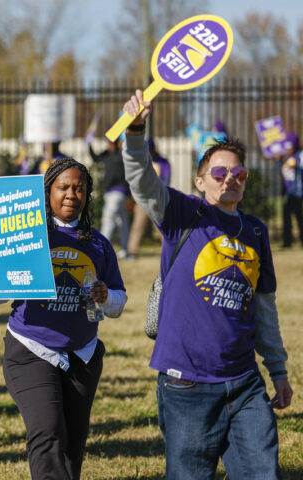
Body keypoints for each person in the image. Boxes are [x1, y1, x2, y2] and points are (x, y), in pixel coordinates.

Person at [121, 90, 293, 480]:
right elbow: (143, 181)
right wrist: (135, 132)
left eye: (239, 173)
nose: (230, 178)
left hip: (246, 383)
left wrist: (277, 371)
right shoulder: (183, 213)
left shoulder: (255, 231)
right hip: (187, 384)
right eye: (219, 172)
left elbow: (264, 308)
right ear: (200, 181)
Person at [0, 157, 127, 480]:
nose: (71, 195)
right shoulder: (27, 233)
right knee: (48, 431)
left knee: (72, 446)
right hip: (32, 350)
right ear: (48, 193)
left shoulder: (98, 243)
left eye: (79, 189)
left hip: (82, 354)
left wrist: (106, 296)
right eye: (63, 187)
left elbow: (119, 301)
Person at [126, 138, 171, 259]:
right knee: (137, 226)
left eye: (151, 149)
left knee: (163, 227)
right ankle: (132, 252)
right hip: (142, 199)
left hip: (158, 199)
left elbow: (166, 180)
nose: (149, 152)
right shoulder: (142, 162)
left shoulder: (163, 162)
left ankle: (168, 253)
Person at [88, 137, 130, 258]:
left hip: (119, 191)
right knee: (122, 221)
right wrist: (89, 145)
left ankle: (101, 248)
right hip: (109, 192)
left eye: (111, 142)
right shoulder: (107, 154)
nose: (108, 145)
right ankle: (124, 250)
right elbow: (95, 158)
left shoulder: (121, 155)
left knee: (108, 218)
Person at [278, 132, 303, 248]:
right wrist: (279, 161)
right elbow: (283, 173)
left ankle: (291, 241)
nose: (289, 149)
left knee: (299, 217)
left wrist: (297, 164)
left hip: (298, 193)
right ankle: (287, 242)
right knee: (287, 216)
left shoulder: (299, 155)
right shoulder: (288, 157)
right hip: (289, 193)